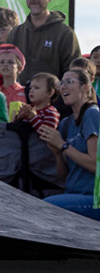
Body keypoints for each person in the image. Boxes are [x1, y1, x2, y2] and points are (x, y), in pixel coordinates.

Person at [38, 68, 100, 219]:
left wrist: (63, 145)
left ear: (85, 87)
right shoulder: (66, 123)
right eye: (61, 83)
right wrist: (57, 153)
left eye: (70, 82)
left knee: (45, 207)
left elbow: (95, 165)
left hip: (94, 199)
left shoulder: (92, 113)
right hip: (73, 193)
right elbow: (64, 177)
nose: (63, 86)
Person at [8, 0, 81, 84]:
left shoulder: (65, 34)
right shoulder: (15, 33)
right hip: (19, 100)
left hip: (53, 100)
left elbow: (74, 74)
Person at [0, 44, 27, 118]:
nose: (5, 65)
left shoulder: (26, 92)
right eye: (1, 62)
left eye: (10, 62)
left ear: (19, 68)